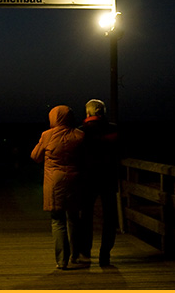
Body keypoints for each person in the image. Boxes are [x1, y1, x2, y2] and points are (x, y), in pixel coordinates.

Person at [31, 105, 87, 270]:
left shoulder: (47, 135)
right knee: (74, 218)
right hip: (75, 182)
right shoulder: (80, 135)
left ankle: (62, 260)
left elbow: (35, 156)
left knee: (58, 220)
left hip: (54, 183)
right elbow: (86, 158)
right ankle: (76, 255)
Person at [78, 99, 120, 266]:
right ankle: (105, 254)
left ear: (88, 113)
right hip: (108, 177)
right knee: (109, 217)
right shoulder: (114, 130)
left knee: (85, 216)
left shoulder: (80, 132)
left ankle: (85, 252)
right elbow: (120, 152)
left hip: (87, 178)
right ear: (103, 112)